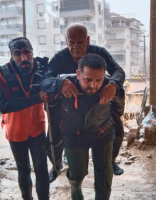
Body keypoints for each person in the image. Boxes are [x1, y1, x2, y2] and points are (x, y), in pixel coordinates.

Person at [40, 23, 126, 182]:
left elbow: (119, 71)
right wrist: (61, 83)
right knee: (53, 133)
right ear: (66, 41)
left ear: (87, 40)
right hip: (69, 106)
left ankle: (111, 160)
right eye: (71, 42)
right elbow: (45, 80)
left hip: (97, 101)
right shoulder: (60, 57)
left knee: (116, 126)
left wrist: (113, 84)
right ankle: (56, 164)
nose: (75, 47)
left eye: (79, 42)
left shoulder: (99, 53)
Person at [58, 53, 120, 200]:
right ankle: (75, 186)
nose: (93, 85)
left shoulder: (110, 86)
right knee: (77, 172)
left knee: (105, 172)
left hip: (103, 132)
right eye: (88, 80)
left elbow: (119, 112)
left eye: (99, 79)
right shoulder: (64, 85)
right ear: (78, 74)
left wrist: (114, 85)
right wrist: (58, 84)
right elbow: (44, 82)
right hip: (74, 135)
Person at [0, 37, 50, 200]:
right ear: (11, 55)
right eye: (17, 54)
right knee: (24, 169)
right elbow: (4, 106)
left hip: (37, 129)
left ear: (32, 52)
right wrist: (37, 99)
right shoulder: (2, 73)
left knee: (41, 167)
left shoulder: (42, 69)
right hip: (15, 131)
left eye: (27, 52)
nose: (23, 57)